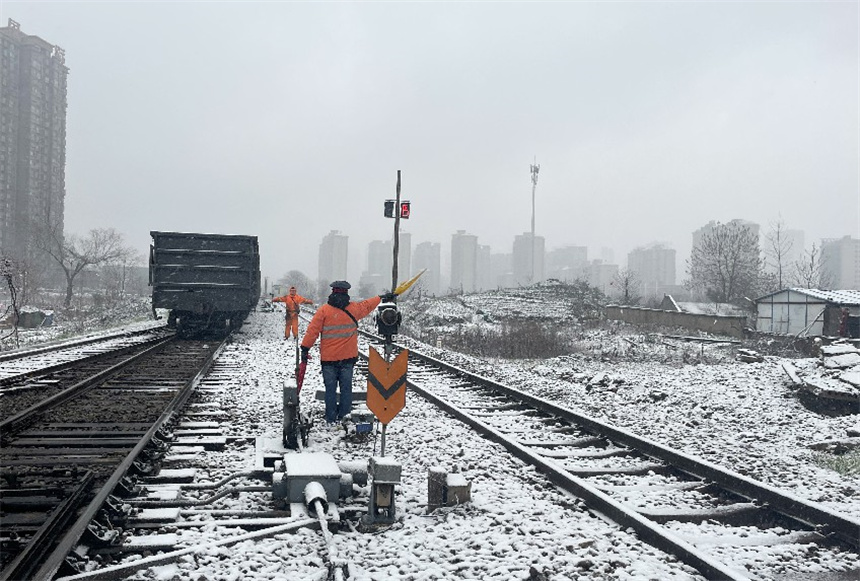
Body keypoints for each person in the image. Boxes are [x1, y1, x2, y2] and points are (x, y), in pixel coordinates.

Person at [301, 281, 393, 424]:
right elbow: (367, 305)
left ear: (332, 292)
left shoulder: (324, 311)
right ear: (346, 293)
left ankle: (330, 418)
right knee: (346, 389)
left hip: (329, 360)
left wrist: (305, 348)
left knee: (330, 390)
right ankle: (345, 416)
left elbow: (312, 331)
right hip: (347, 359)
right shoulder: (354, 309)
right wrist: (381, 297)